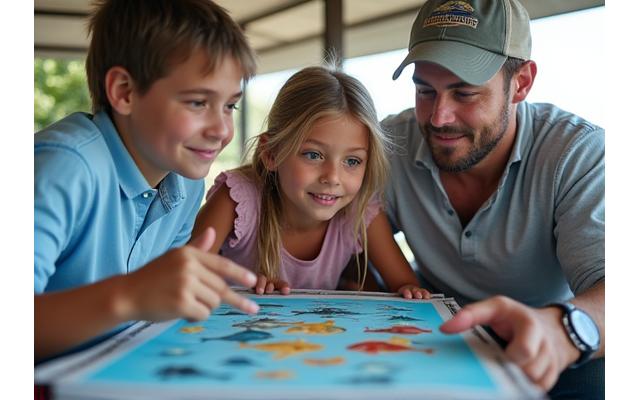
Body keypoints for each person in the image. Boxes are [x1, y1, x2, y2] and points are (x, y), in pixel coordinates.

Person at [385, 0, 604, 398]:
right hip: (439, 335)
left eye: (464, 93)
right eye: (424, 90)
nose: (439, 117)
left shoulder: (577, 151)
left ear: (521, 83)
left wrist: (561, 331)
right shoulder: (389, 144)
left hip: (546, 337)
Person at [34, 0, 261, 362]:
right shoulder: (64, 168)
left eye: (230, 106)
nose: (222, 130)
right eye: (198, 103)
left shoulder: (186, 182)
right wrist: (130, 296)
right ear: (124, 91)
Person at [193, 65, 430, 299]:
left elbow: (406, 285)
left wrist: (409, 291)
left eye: (352, 160)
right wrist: (248, 290)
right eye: (313, 155)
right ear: (271, 153)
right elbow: (185, 278)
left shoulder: (360, 211)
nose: (333, 177)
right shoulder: (236, 200)